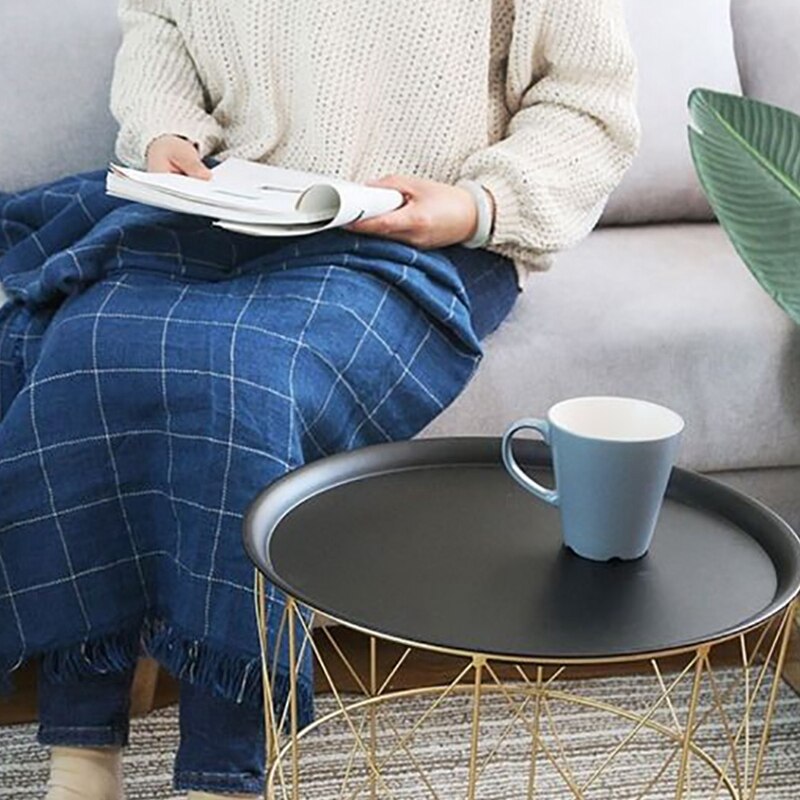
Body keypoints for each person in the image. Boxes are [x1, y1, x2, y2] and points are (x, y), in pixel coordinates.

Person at [0, 0, 639, 797]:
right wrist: (167, 132)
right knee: (84, 347)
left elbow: (589, 101)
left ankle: (223, 774)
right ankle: (82, 754)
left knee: (244, 383)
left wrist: (475, 205)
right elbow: (160, 22)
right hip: (229, 208)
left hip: (421, 238)